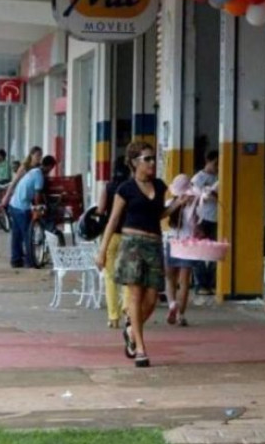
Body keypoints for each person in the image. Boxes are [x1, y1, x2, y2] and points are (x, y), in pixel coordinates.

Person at [97, 142, 184, 368]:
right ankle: (141, 349)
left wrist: (177, 204)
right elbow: (113, 220)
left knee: (152, 297)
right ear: (135, 162)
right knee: (135, 296)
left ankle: (131, 331)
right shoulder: (125, 188)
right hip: (132, 244)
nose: (152, 163)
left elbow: (160, 214)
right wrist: (102, 251)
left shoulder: (159, 185)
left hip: (154, 244)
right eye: (147, 159)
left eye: (153, 158)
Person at [2, 155, 57, 268]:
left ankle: (16, 260)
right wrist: (38, 208)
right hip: (22, 207)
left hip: (13, 204)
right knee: (28, 234)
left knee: (16, 235)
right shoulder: (39, 176)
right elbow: (37, 195)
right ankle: (30, 261)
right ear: (50, 166)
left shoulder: (33, 171)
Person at [96, 156, 132, 328]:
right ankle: (127, 310)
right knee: (126, 276)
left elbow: (100, 210)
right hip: (128, 235)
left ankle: (113, 317)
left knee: (110, 277)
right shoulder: (131, 188)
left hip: (110, 236)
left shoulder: (108, 187)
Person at [165, 174, 197, 327]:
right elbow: (196, 226)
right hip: (188, 245)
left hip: (172, 242)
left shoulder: (169, 203)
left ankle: (172, 304)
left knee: (170, 279)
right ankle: (181, 315)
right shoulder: (193, 205)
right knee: (184, 283)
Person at [191, 151, 219, 295]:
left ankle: (212, 282)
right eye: (215, 164)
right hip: (202, 218)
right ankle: (201, 284)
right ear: (208, 161)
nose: (217, 167)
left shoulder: (221, 177)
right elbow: (195, 198)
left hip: (217, 219)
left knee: (216, 253)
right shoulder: (198, 178)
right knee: (200, 252)